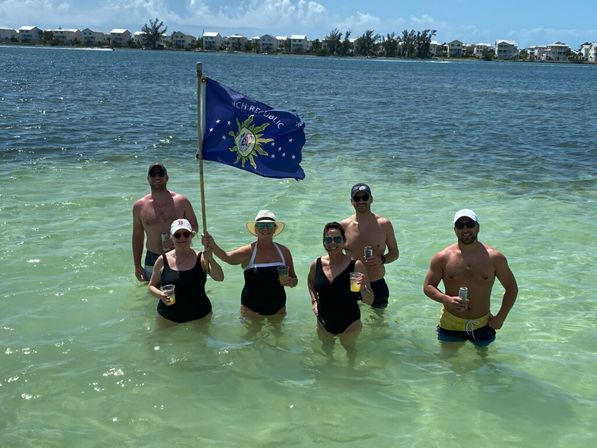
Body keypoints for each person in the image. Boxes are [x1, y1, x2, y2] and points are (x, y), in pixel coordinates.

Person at [423, 209, 518, 345]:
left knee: (486, 364)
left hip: (483, 324)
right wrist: (447, 299)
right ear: (455, 230)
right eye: (460, 226)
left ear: (478, 227)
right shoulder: (442, 257)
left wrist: (501, 317)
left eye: (470, 224)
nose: (465, 229)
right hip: (450, 324)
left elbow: (511, 288)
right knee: (448, 365)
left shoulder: (494, 258)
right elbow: (428, 286)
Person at [204, 210, 298, 317]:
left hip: (278, 308)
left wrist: (291, 282)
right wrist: (212, 244)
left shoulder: (284, 251)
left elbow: (294, 280)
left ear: (275, 229)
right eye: (261, 225)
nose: (265, 228)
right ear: (255, 229)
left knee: (279, 334)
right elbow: (227, 257)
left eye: (270, 225)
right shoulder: (249, 251)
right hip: (251, 309)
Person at [132, 162, 198, 282]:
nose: (157, 177)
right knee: (152, 296)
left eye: (160, 173)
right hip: (152, 257)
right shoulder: (139, 206)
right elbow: (137, 236)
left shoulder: (181, 201)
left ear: (167, 177)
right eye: (153, 174)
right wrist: (137, 265)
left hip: (180, 254)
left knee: (184, 292)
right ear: (148, 178)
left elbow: (194, 227)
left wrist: (179, 239)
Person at [148, 218, 224, 323]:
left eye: (186, 234)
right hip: (168, 317)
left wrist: (211, 259)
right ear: (171, 237)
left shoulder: (202, 258)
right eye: (177, 235)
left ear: (191, 235)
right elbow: (151, 286)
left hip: (200, 316)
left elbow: (220, 277)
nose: (182, 238)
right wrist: (160, 295)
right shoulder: (163, 260)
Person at [340, 183, 399, 309]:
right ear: (352, 201)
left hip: (376, 282)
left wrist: (382, 259)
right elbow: (335, 255)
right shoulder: (344, 226)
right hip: (353, 284)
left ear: (371, 199)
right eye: (357, 198)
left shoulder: (384, 224)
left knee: (379, 325)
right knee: (352, 324)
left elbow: (394, 253)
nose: (361, 201)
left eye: (364, 197)